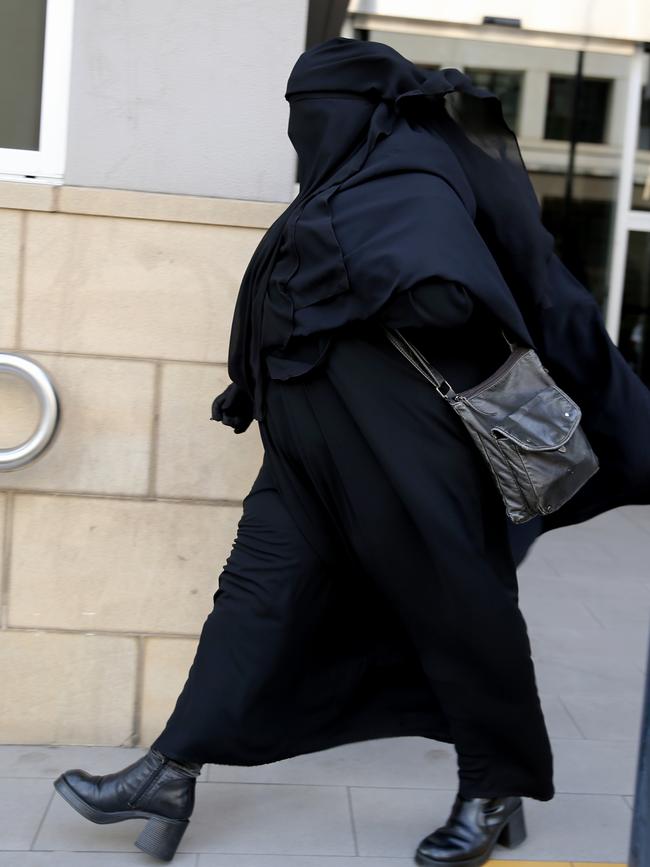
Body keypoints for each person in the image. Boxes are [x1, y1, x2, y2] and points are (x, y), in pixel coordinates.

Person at [52, 36, 650, 865]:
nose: (303, 133)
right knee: (253, 600)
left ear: (355, 108)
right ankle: (169, 769)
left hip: (409, 453)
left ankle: (492, 786)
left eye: (312, 114)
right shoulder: (341, 181)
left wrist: (356, 267)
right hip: (307, 452)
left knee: (460, 611)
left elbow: (449, 298)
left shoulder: (405, 174)